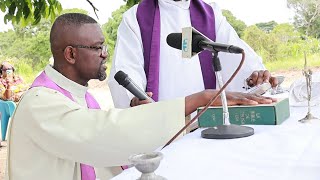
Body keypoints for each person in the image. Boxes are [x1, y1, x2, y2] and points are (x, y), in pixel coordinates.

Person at [5, 13, 276, 180]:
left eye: (104, 46)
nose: (105, 54)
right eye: (98, 47)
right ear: (71, 54)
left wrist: (183, 117)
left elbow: (110, 136)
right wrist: (198, 99)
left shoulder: (80, 97)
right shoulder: (40, 102)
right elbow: (102, 135)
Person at [108, 0, 278, 108]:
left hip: (208, 119)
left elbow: (233, 54)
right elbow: (126, 68)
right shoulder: (136, 17)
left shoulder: (211, 14)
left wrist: (251, 79)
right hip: (163, 123)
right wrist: (134, 99)